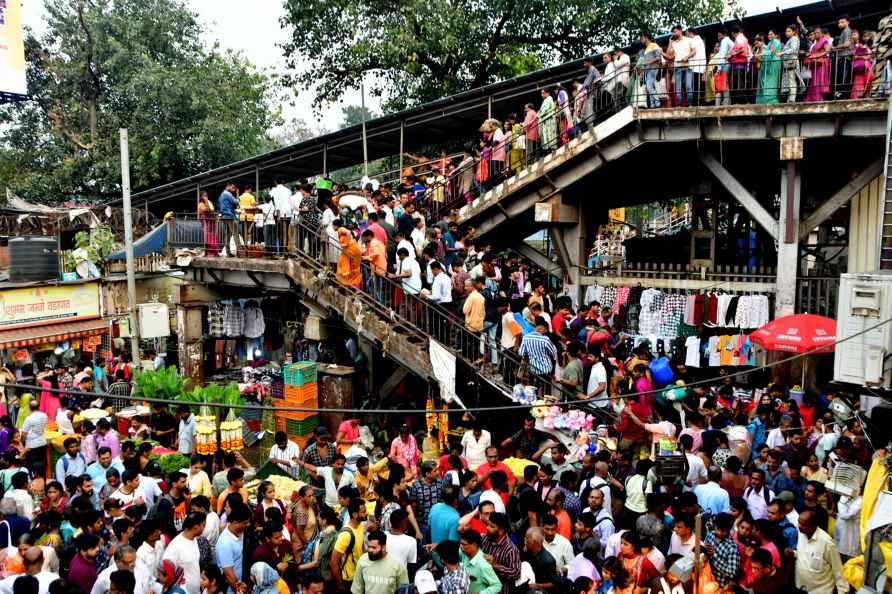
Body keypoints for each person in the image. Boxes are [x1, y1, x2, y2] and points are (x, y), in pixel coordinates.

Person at [795, 510, 847, 594]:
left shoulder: (827, 543)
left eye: (803, 525)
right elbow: (804, 554)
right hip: (801, 587)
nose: (799, 526)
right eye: (799, 523)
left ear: (814, 526)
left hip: (820, 591)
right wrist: (793, 553)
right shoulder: (801, 533)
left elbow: (838, 569)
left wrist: (842, 591)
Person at [162, 512, 206, 594]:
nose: (204, 528)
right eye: (203, 525)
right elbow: (166, 574)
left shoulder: (194, 539)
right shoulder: (175, 547)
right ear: (195, 527)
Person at [331, 499, 367, 594]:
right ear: (355, 515)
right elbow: (334, 562)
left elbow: (362, 549)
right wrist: (340, 585)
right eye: (363, 512)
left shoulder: (361, 526)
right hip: (349, 581)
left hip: (359, 576)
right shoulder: (346, 535)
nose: (366, 513)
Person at [216, 503, 250, 594]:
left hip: (241, 581)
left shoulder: (240, 532)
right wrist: (238, 590)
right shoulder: (225, 543)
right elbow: (229, 574)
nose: (248, 525)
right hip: (231, 588)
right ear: (235, 523)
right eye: (245, 523)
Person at [756, 30, 783, 104]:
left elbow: (771, 51)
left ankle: (772, 99)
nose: (769, 36)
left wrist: (761, 54)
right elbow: (768, 52)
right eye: (768, 34)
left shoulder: (776, 42)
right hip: (770, 61)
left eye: (771, 34)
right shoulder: (770, 43)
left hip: (775, 61)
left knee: (773, 80)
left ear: (775, 35)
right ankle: (767, 98)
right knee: (769, 81)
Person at [20, 400, 48, 469]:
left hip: (32, 446)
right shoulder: (44, 415)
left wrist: (22, 442)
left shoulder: (29, 419)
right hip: (42, 443)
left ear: (30, 408)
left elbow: (23, 434)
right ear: (38, 407)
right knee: (42, 465)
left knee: (33, 467)